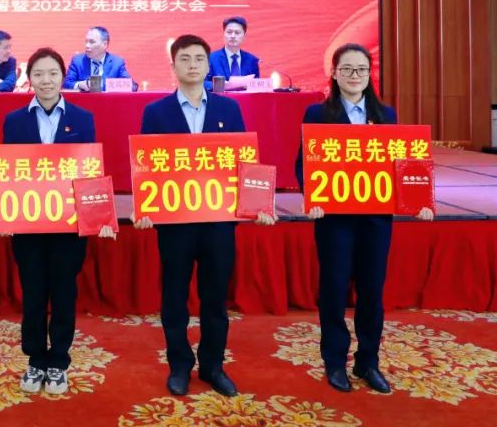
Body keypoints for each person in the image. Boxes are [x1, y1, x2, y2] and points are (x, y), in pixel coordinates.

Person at [135, 34, 275, 398]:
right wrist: (146, 208)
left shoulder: (229, 109)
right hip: (175, 223)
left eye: (199, 58)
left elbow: (245, 163)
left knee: (215, 299)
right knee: (174, 296)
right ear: (173, 66)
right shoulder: (156, 112)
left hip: (218, 222)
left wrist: (258, 204)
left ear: (208, 65)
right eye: (185, 59)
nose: (193, 64)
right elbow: (146, 168)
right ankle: (179, 365)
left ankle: (213, 366)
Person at [297, 43, 433, 395]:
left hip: (375, 220)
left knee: (372, 291)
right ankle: (334, 361)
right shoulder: (317, 114)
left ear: (369, 75)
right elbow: (304, 164)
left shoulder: (385, 114)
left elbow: (403, 163)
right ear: (334, 73)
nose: (354, 76)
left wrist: (417, 201)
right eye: (347, 69)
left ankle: (368, 361)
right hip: (334, 220)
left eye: (361, 69)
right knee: (334, 290)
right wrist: (311, 198)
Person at [2, 47, 114, 395]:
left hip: (69, 225)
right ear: (29, 79)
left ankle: (59, 361)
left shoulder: (82, 118)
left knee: (64, 291)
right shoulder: (14, 121)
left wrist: (99, 216)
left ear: (62, 77)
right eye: (38, 74)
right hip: (28, 224)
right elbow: (6, 172)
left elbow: (90, 170)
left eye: (52, 73)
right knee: (33, 292)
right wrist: (4, 215)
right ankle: (36, 359)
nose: (46, 80)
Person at [63, 26, 137, 92]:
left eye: (92, 42)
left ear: (104, 44)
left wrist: (107, 86)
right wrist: (80, 85)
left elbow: (132, 86)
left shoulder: (116, 63)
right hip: (84, 102)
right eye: (86, 41)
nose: (87, 45)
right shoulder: (77, 61)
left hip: (108, 102)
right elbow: (66, 84)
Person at [205, 17, 260, 91]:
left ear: (244, 36)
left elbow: (256, 86)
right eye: (229, 32)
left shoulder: (252, 60)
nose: (233, 36)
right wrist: (220, 85)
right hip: (219, 98)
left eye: (237, 33)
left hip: (245, 98)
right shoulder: (211, 59)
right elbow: (201, 83)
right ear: (223, 34)